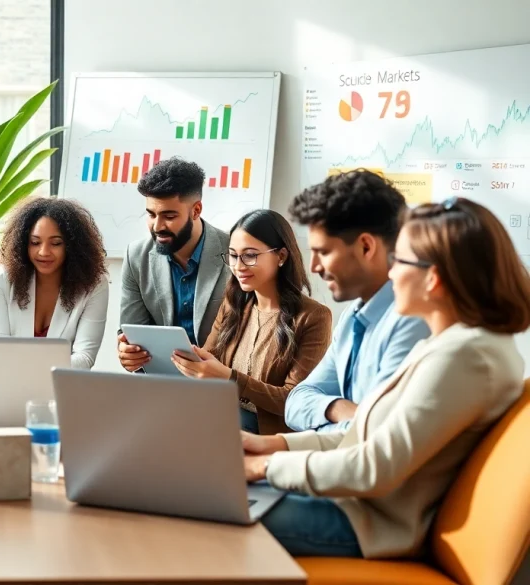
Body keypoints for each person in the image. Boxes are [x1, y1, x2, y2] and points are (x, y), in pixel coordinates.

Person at [243, 197, 530, 559]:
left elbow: (374, 466)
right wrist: (276, 446)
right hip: (353, 506)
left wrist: (265, 466)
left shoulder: (465, 356)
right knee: (210, 492)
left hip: (367, 524)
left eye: (400, 262)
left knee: (208, 507)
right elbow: (368, 438)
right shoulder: (453, 345)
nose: (390, 273)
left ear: (433, 278)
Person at [283, 170, 430, 432]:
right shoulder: (353, 316)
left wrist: (340, 421)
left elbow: (376, 433)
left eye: (324, 252)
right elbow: (296, 402)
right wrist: (337, 407)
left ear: (366, 247)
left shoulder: (413, 321)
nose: (314, 266)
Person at [171, 210, 332, 435]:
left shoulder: (313, 317)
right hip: (222, 416)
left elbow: (295, 400)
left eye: (250, 255)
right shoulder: (234, 303)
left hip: (266, 433)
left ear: (282, 256)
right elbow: (208, 360)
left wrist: (230, 378)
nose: (238, 266)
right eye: (233, 256)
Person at [118, 158, 231, 372]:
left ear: (196, 210)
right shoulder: (136, 256)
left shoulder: (235, 253)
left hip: (220, 382)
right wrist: (128, 352)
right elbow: (131, 331)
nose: (157, 226)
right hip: (159, 382)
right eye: (151, 215)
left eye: (169, 216)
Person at [0, 197, 109, 369]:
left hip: (62, 388)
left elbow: (85, 358)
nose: (43, 252)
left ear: (72, 246)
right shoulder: (3, 280)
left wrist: (31, 368)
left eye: (56, 243)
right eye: (35, 242)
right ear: (23, 244)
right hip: (9, 386)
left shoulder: (94, 284)